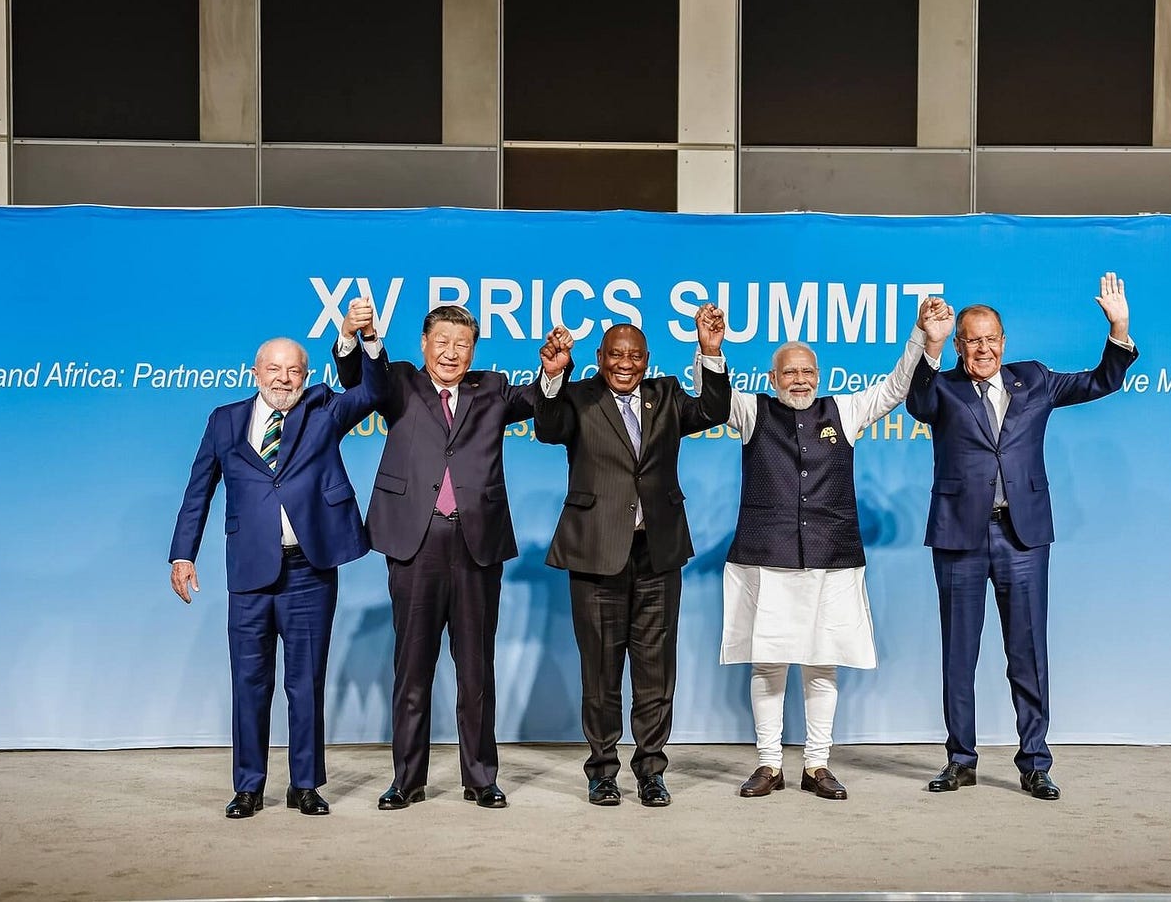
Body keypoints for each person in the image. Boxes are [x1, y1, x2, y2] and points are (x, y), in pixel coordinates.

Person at [906, 273, 1137, 800]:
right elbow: (916, 401)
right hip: (959, 537)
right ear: (960, 345)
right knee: (958, 654)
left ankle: (1034, 762)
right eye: (972, 340)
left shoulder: (1033, 379)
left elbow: (1100, 380)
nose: (982, 348)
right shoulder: (942, 387)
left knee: (1027, 653)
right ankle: (960, 759)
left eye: (990, 339)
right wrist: (931, 342)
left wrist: (1119, 328)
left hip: (1023, 537)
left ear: (1003, 343)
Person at [716, 296, 954, 800]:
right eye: (789, 373)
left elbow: (894, 388)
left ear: (819, 375)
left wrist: (921, 336)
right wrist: (710, 351)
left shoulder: (843, 410)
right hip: (765, 558)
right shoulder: (750, 410)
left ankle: (817, 765)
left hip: (832, 557)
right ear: (773, 377)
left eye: (807, 371)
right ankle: (769, 764)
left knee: (823, 663)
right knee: (769, 663)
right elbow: (714, 396)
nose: (799, 380)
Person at [169, 305, 388, 819]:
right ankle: (248, 785)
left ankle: (305, 784)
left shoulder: (324, 409)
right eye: (274, 369)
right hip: (249, 572)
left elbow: (376, 392)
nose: (284, 379)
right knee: (249, 682)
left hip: (309, 571)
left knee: (305, 683)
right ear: (255, 372)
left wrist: (368, 339)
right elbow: (198, 490)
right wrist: (183, 553)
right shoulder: (224, 420)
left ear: (306, 376)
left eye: (294, 371)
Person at [333, 302, 545, 810]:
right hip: (416, 540)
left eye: (462, 344)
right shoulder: (399, 382)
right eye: (443, 342)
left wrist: (552, 372)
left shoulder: (490, 388)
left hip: (477, 541)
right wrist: (354, 337)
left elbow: (539, 400)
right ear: (424, 344)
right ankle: (407, 779)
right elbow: (361, 378)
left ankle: (481, 778)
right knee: (413, 667)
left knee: (476, 669)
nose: (452, 352)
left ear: (474, 350)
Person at [533, 305, 730, 808]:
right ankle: (602, 771)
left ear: (647, 359)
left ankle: (650, 770)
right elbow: (548, 428)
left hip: (657, 553)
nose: (625, 363)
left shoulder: (665, 397)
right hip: (596, 552)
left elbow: (713, 411)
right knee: (599, 672)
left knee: (655, 670)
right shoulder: (579, 396)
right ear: (598, 358)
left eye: (635, 356)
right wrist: (553, 375)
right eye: (615, 354)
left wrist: (709, 352)